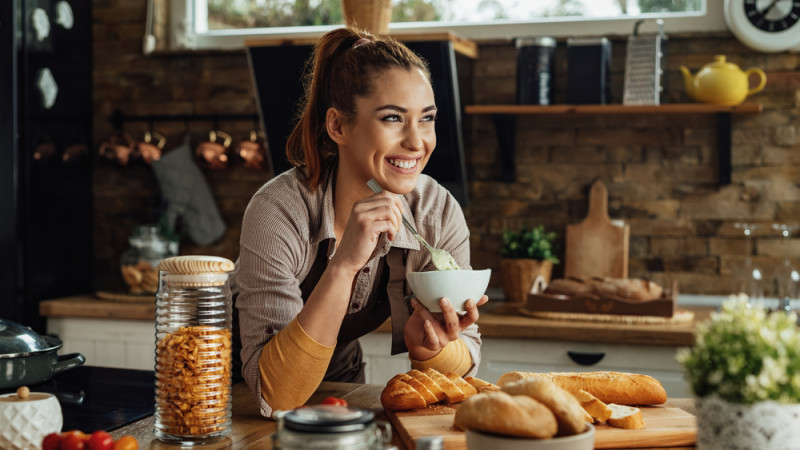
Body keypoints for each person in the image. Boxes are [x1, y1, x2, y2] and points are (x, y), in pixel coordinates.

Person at [233, 27, 488, 418]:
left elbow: (465, 361)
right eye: (392, 118)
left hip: (338, 376)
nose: (417, 142)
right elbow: (276, 396)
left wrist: (432, 350)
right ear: (338, 127)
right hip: (234, 387)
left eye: (427, 119)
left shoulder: (435, 210)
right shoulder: (278, 210)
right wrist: (345, 264)